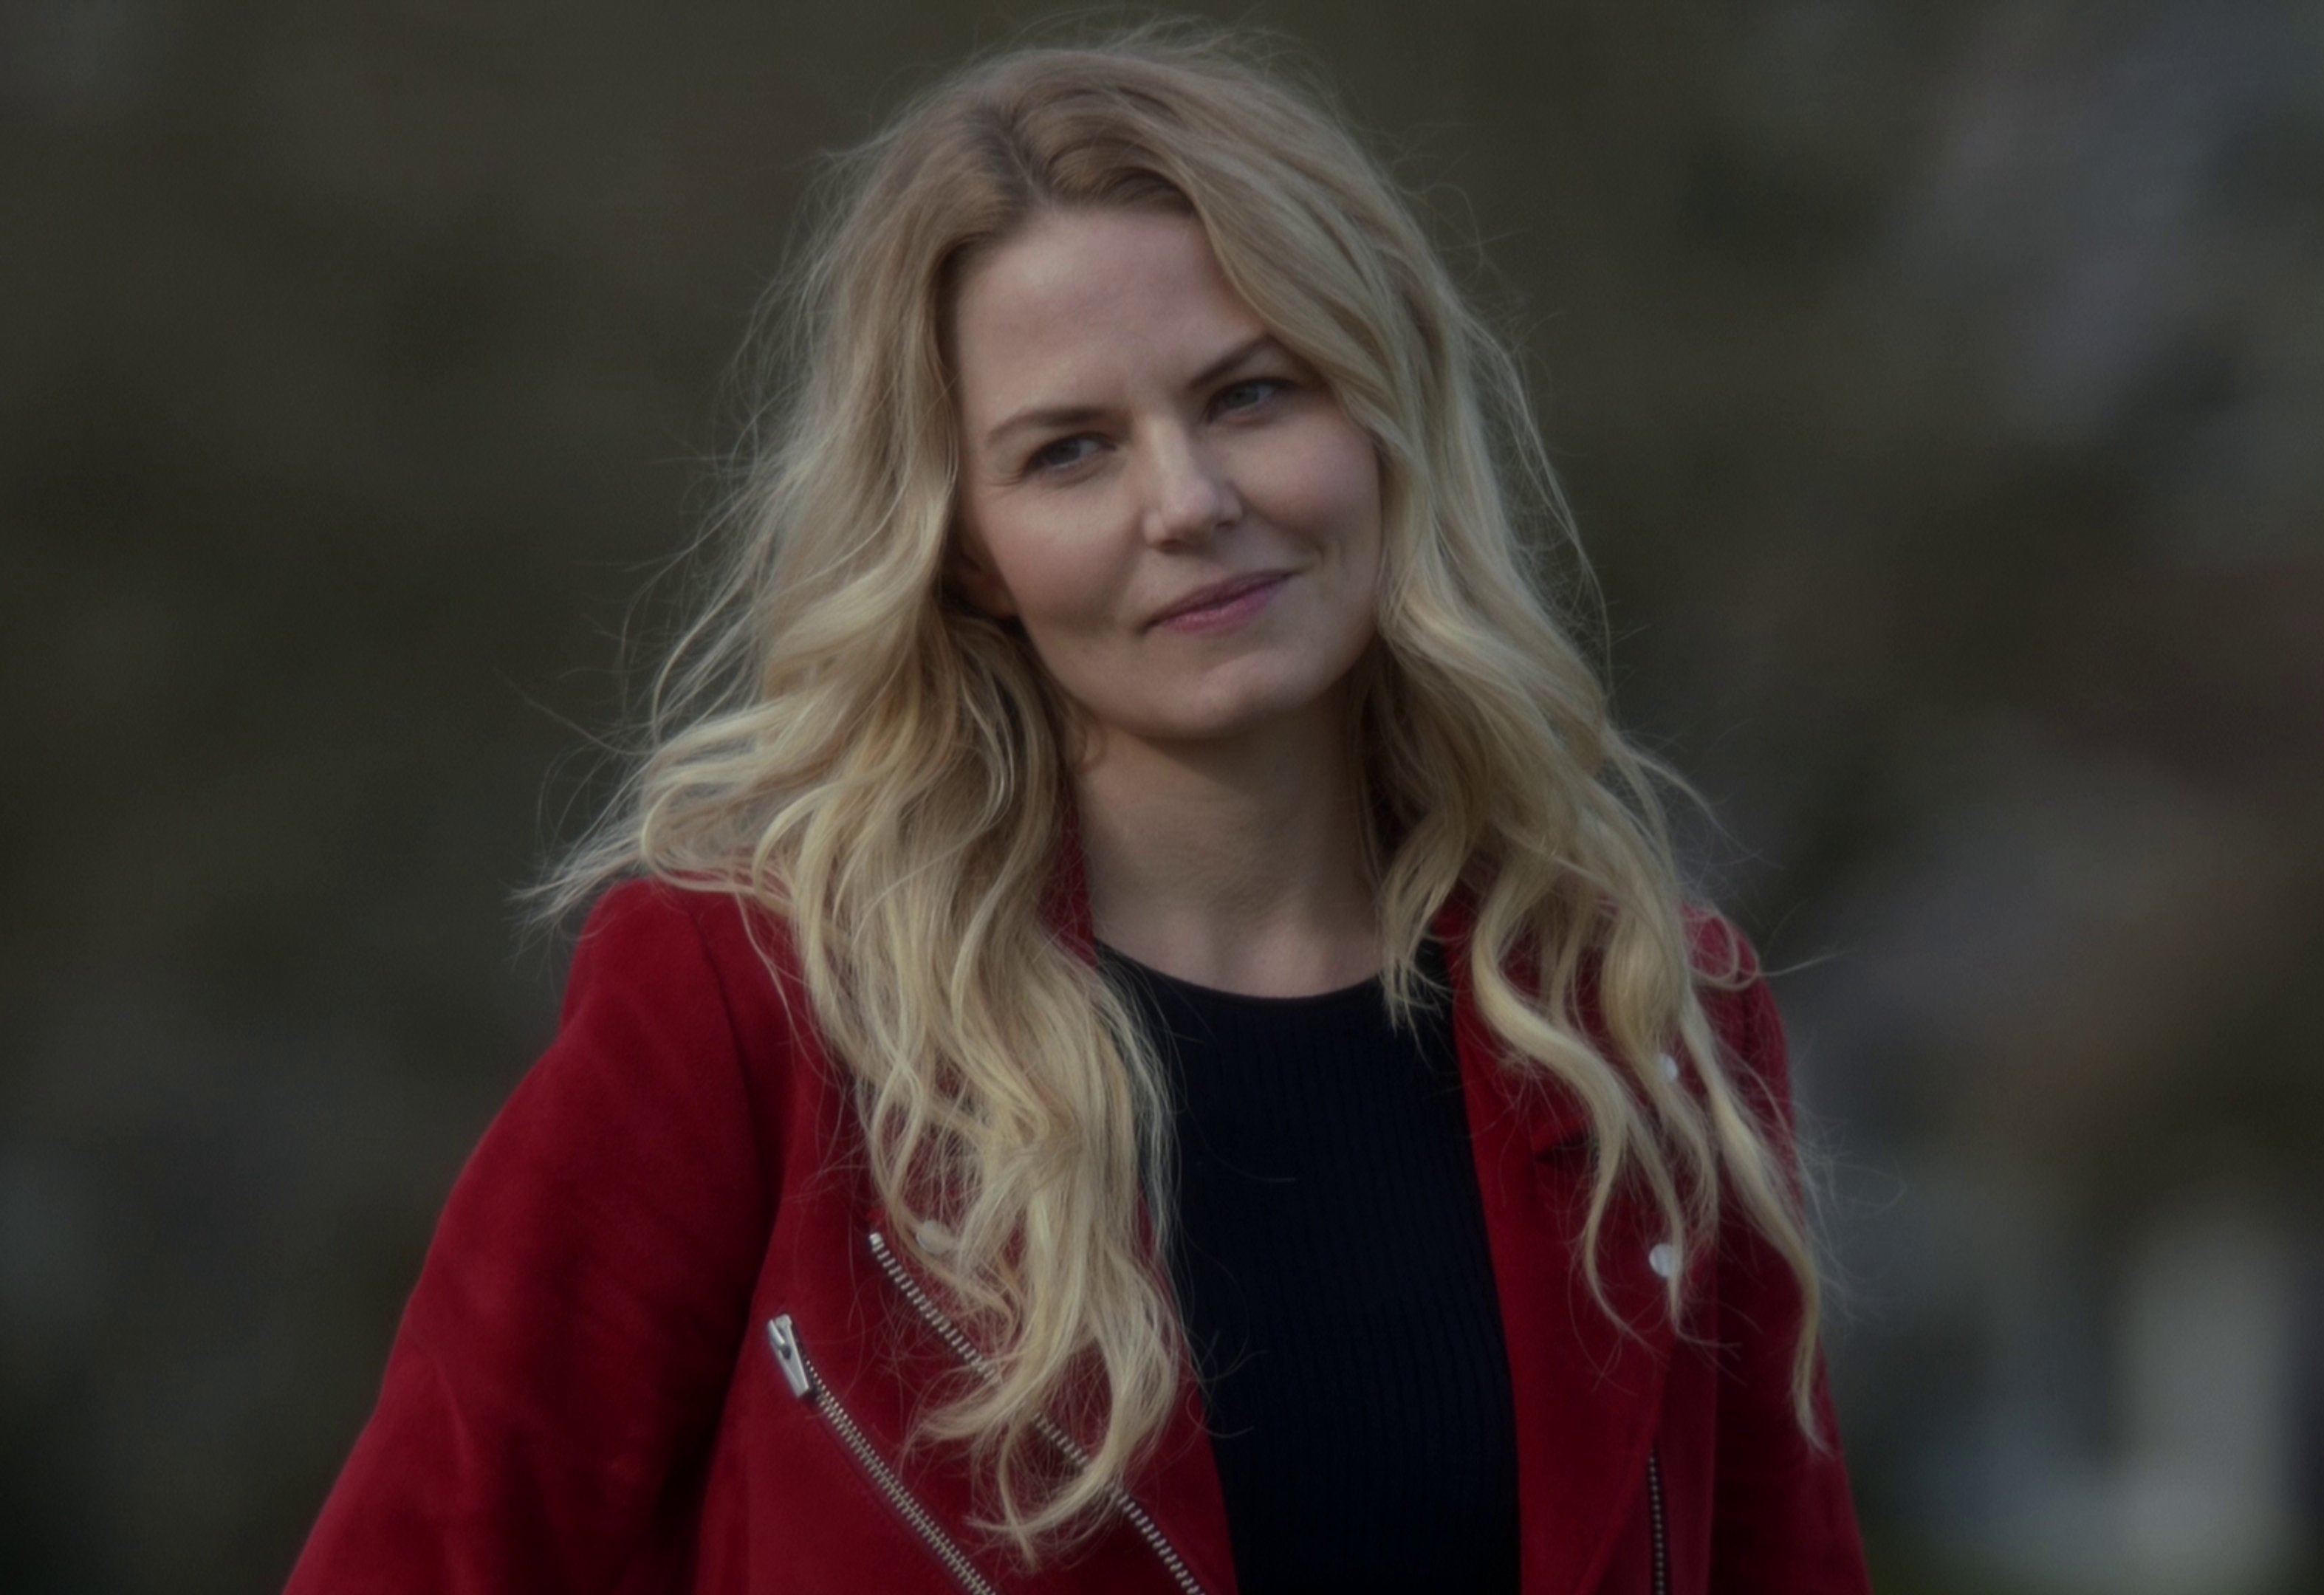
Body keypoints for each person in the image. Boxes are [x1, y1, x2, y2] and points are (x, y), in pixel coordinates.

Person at [287, 25, 1869, 1595]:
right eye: (1071, 452)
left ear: (1384, 420)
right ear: (969, 547)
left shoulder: (1648, 1020)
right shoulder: (749, 999)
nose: (1187, 503)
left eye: (1252, 395)